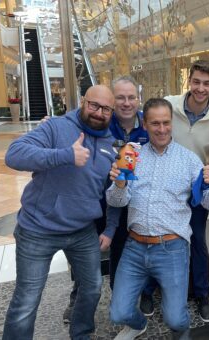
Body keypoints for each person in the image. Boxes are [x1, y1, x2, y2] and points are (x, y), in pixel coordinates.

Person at [2, 85, 116, 340]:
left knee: (92, 287)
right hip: (37, 230)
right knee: (27, 301)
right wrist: (65, 155)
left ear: (112, 112)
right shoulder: (55, 127)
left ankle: (81, 334)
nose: (99, 113)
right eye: (93, 105)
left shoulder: (111, 144)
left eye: (106, 109)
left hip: (82, 230)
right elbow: (14, 155)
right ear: (83, 102)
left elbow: (112, 195)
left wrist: (110, 225)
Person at [107, 98, 209, 339]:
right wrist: (119, 184)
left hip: (172, 247)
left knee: (175, 318)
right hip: (135, 246)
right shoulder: (131, 155)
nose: (162, 129)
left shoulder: (189, 160)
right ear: (144, 123)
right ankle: (138, 324)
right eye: (155, 123)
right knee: (118, 313)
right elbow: (116, 201)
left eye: (166, 123)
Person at [61, 76, 150, 324]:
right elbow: (71, 122)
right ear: (112, 101)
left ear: (138, 99)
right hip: (95, 203)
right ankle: (77, 298)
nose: (126, 103)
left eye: (131, 97)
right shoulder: (100, 122)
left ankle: (124, 297)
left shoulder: (147, 125)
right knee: (85, 254)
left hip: (130, 205)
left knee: (125, 254)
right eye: (120, 97)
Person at [163, 59, 209, 322]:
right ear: (189, 80)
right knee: (163, 240)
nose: (201, 88)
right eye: (197, 81)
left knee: (197, 242)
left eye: (207, 83)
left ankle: (202, 294)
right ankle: (157, 291)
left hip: (197, 191)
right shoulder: (170, 104)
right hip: (166, 189)